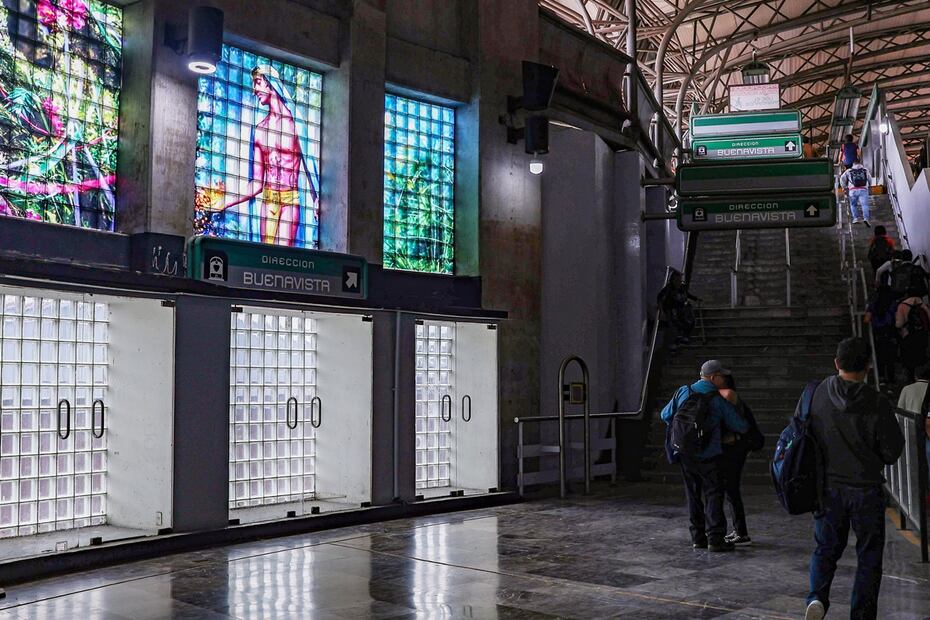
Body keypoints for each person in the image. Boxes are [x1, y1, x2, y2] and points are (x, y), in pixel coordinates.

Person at [804, 338, 904, 620]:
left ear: (837, 363)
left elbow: (803, 435)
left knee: (825, 549)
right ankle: (861, 614)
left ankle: (817, 598)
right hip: (866, 490)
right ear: (868, 366)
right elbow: (891, 451)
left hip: (827, 488)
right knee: (869, 555)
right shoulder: (878, 401)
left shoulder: (816, 393)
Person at [208, 65, 320, 246]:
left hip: (290, 200)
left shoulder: (295, 125)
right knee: (266, 254)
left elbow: (310, 166)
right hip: (268, 200)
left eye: (258, 83)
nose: (254, 90)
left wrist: (317, 199)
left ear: (270, 83)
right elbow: (257, 183)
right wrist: (225, 202)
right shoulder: (260, 130)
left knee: (282, 255)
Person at [661, 360, 748, 552]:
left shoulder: (683, 391)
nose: (724, 380)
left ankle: (698, 538)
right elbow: (740, 426)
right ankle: (715, 539)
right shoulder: (716, 399)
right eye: (722, 376)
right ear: (713, 377)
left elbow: (665, 415)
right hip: (709, 455)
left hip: (685, 453)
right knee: (713, 494)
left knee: (693, 495)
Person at [718, 374, 763, 545]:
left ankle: (741, 532)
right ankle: (739, 530)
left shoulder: (727, 393)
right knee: (731, 489)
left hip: (735, 447)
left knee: (731, 488)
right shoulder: (727, 394)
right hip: (736, 447)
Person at [896, 365, 930, 503]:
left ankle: (914, 496)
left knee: (912, 465)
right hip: (927, 433)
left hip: (910, 432)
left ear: (916, 376)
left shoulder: (907, 389)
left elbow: (899, 411)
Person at [864, 285, 899, 388]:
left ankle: (881, 377)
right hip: (890, 332)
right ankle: (891, 379)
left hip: (878, 333)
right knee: (891, 357)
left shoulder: (873, 304)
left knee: (879, 356)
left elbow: (866, 319)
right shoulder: (893, 304)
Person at [895, 288, 930, 384]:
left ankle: (911, 380)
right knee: (921, 358)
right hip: (922, 336)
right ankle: (922, 378)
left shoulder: (902, 305)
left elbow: (898, 324)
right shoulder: (923, 305)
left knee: (909, 360)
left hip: (908, 336)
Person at [657, 274, 701, 350]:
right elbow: (659, 298)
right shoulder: (669, 288)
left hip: (682, 309)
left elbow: (687, 294)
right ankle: (674, 342)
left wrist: (696, 299)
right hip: (672, 309)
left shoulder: (682, 287)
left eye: (680, 280)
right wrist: (662, 311)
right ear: (673, 280)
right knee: (675, 325)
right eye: (677, 280)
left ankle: (685, 337)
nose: (679, 282)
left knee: (690, 321)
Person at [839, 157, 871, 226]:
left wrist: (844, 187)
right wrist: (869, 186)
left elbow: (842, 178)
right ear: (860, 163)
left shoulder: (849, 171)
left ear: (853, 164)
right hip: (863, 189)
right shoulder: (865, 170)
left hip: (852, 190)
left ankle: (855, 218)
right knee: (864, 205)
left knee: (853, 205)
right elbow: (869, 179)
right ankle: (866, 218)